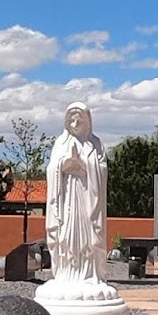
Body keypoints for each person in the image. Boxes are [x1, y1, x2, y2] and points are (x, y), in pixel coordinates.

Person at [42, 102, 109, 288]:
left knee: (87, 235)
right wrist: (65, 164)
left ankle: (89, 272)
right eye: (71, 118)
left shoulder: (95, 144)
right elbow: (51, 168)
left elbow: (102, 170)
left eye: (80, 118)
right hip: (66, 197)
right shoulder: (60, 143)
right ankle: (66, 272)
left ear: (88, 120)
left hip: (87, 195)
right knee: (66, 234)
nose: (75, 122)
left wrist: (85, 164)